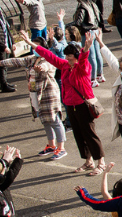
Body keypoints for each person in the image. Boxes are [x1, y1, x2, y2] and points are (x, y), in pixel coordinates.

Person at [27, 31, 108, 175]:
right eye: (66, 57)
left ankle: (101, 162)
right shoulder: (65, 66)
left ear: (76, 57)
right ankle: (88, 161)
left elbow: (83, 59)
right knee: (78, 134)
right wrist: (30, 43)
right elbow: (50, 56)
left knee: (89, 133)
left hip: (83, 105)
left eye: (70, 57)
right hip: (70, 105)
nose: (67, 59)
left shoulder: (83, 67)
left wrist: (86, 49)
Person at [0, 39, 65, 159]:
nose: (34, 50)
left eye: (36, 47)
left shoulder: (49, 59)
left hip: (49, 94)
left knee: (54, 120)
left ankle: (61, 148)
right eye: (33, 47)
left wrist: (41, 68)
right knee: (45, 120)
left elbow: (46, 66)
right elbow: (15, 61)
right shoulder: (31, 59)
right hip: (37, 94)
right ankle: (51, 146)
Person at [68, 0, 103, 84]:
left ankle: (92, 79)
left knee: (90, 56)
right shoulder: (92, 4)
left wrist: (67, 25)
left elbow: (78, 22)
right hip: (95, 30)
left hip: (87, 32)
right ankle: (100, 75)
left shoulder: (82, 7)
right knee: (97, 54)